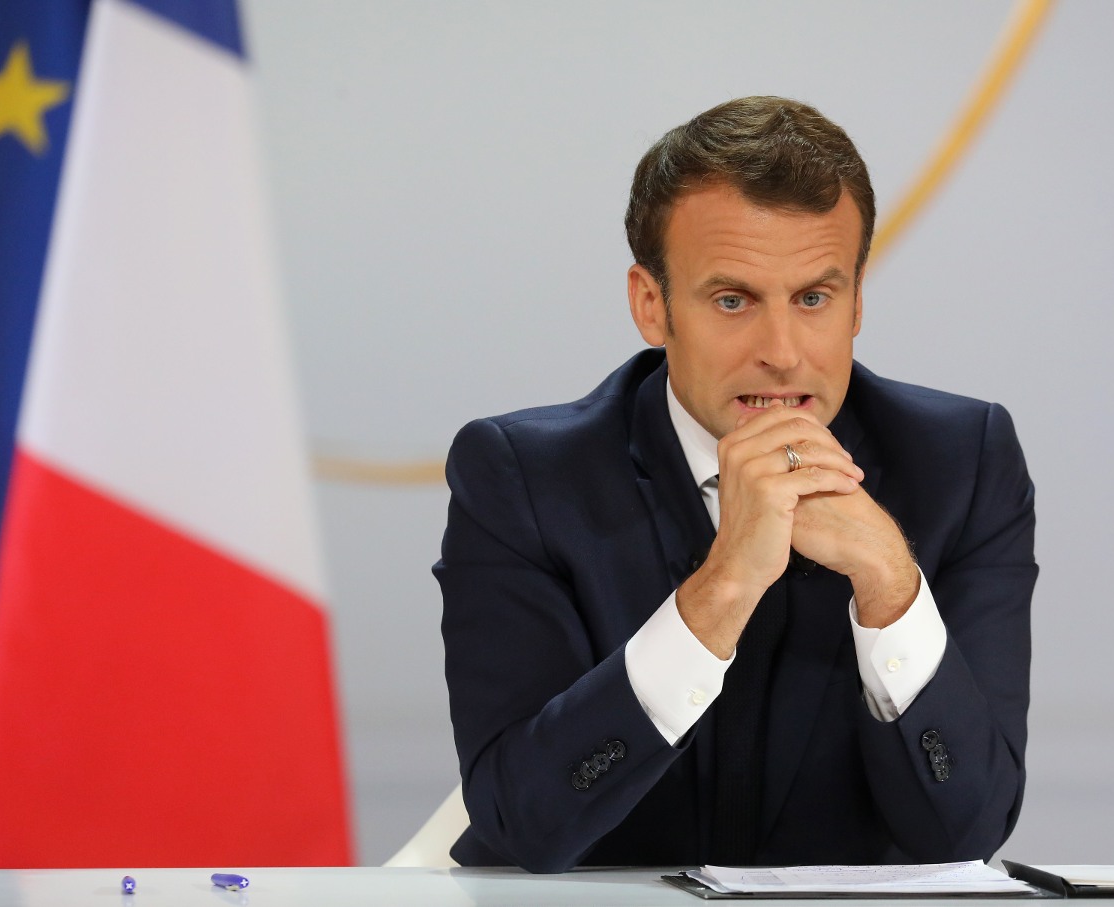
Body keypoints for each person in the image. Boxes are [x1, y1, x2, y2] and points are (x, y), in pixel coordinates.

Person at [434, 96, 1035, 873]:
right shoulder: (521, 475)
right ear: (652, 305)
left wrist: (892, 585)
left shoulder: (962, 461)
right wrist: (721, 589)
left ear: (857, 302)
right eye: (732, 300)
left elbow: (967, 831)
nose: (782, 353)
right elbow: (525, 823)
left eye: (814, 298)